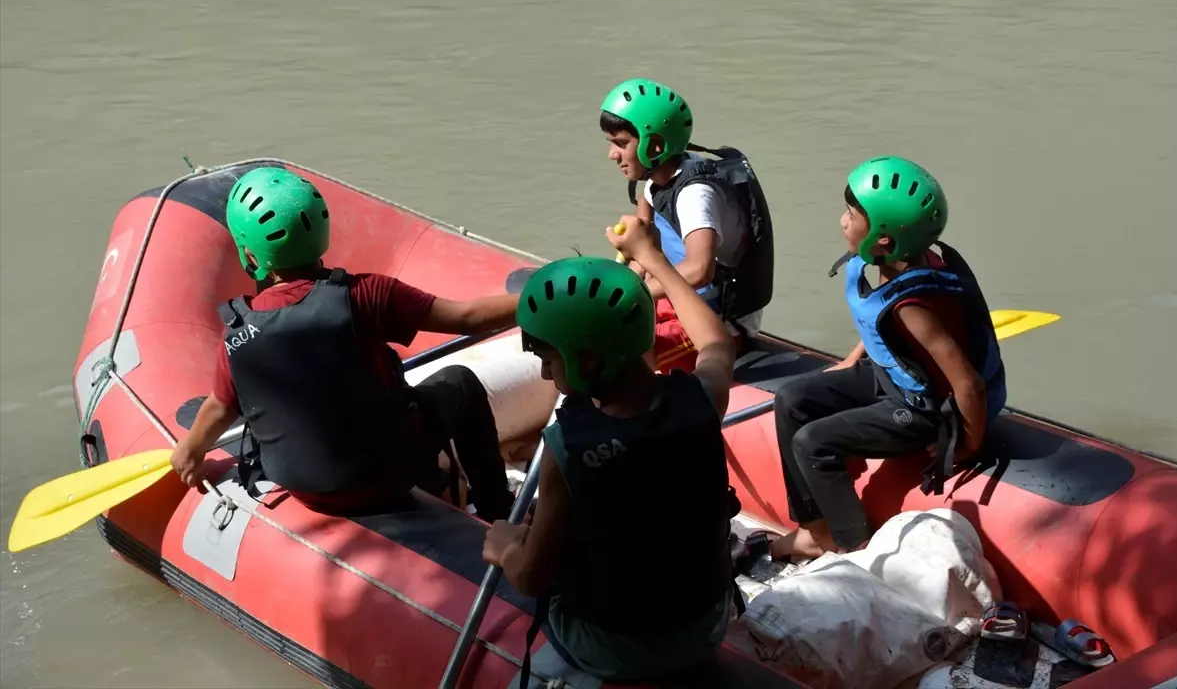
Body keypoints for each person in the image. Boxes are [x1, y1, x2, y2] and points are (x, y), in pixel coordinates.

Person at [169, 166, 518, 522]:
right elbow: (466, 318)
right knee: (460, 382)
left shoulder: (237, 333)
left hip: (309, 489)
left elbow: (219, 407)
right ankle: (498, 513)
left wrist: (191, 451)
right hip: (388, 474)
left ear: (252, 256)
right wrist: (538, 301)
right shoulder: (366, 295)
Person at [482, 216, 738, 684]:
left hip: (613, 650)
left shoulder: (566, 451)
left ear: (589, 361)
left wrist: (505, 549)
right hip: (705, 630)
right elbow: (717, 343)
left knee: (530, 545)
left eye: (546, 358)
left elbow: (532, 579)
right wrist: (654, 258)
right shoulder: (702, 400)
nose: (543, 375)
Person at [770, 156, 1007, 561]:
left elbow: (967, 382)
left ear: (882, 238)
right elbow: (878, 325)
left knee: (813, 442)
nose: (842, 220)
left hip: (922, 410)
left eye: (851, 213)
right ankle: (813, 528)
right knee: (791, 399)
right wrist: (852, 360)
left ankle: (851, 541)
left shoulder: (915, 304)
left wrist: (966, 446)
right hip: (889, 378)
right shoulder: (894, 260)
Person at [599, 77, 774, 372]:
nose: (612, 154)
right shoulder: (655, 181)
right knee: (594, 323)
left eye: (621, 143)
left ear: (654, 145)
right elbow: (642, 249)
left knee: (613, 351)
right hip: (674, 298)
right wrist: (619, 293)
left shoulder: (695, 194)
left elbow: (699, 270)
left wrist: (634, 295)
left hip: (715, 321)